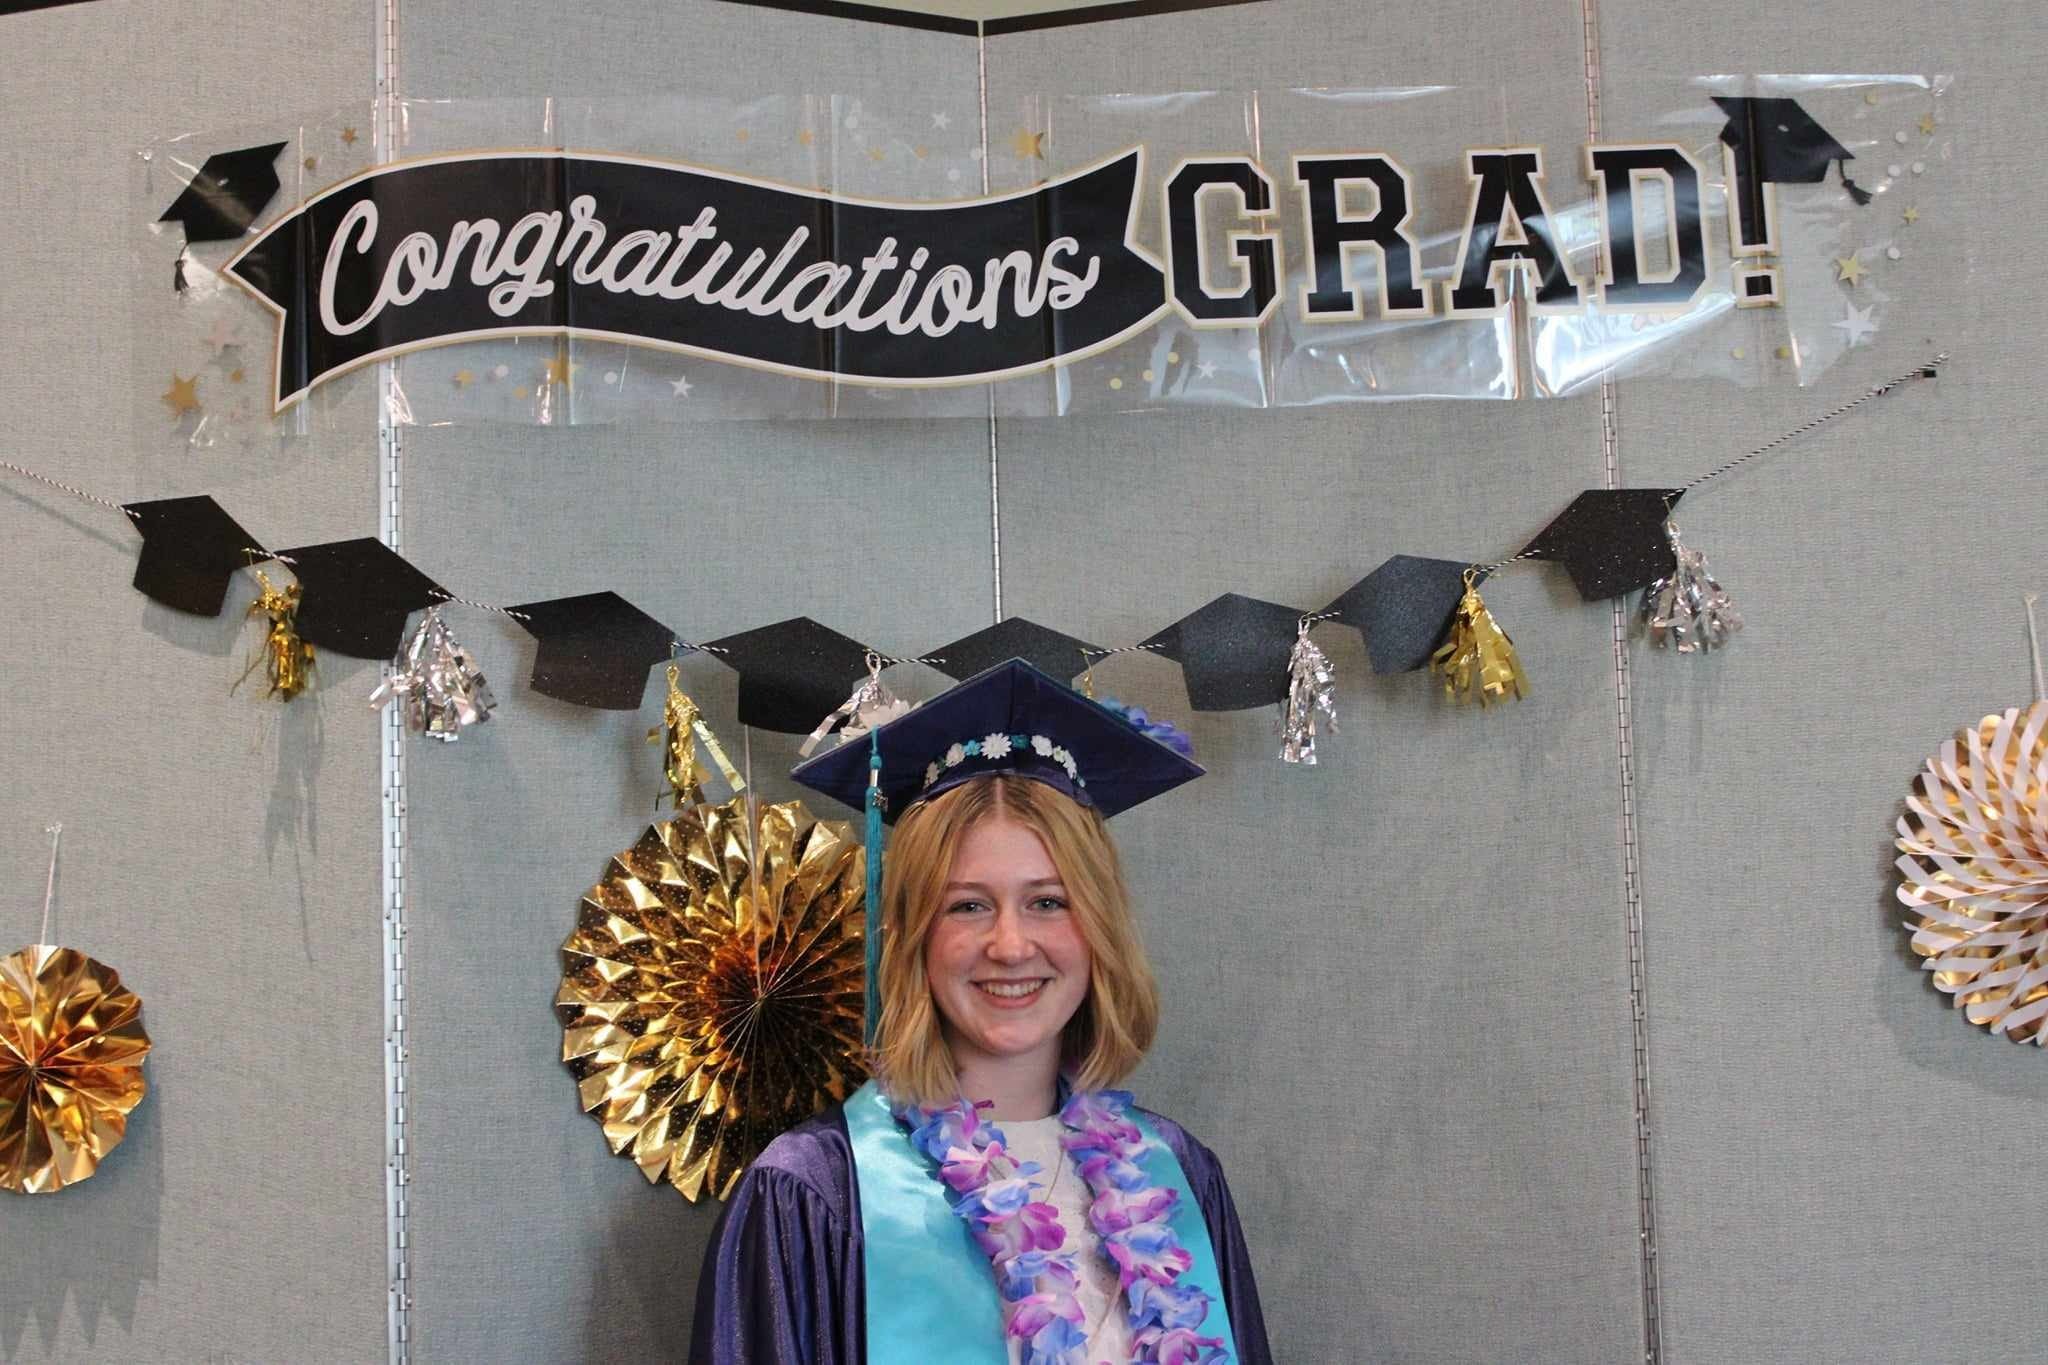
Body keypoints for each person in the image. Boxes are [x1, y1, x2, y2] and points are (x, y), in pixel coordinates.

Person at [690, 658, 1271, 1365]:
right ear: (913, 935)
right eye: (968, 906)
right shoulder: (815, 1193)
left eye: (1048, 901)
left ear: (1099, 928)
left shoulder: (1179, 1174)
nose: (1011, 944)